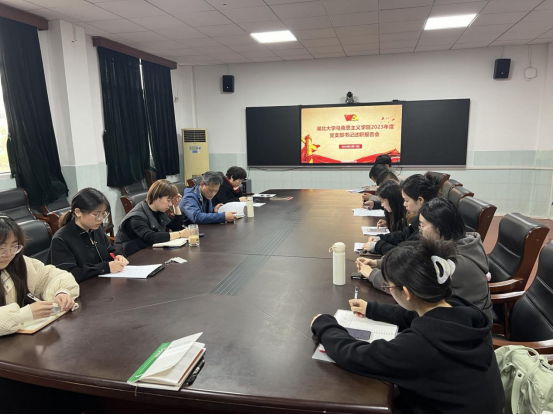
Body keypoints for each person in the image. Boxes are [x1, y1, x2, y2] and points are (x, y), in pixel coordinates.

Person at [311, 239, 504, 414]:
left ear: (406, 292)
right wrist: (371, 309)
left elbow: (357, 356)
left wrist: (325, 325)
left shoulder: (420, 346)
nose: (389, 289)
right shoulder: (462, 310)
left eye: (389, 286)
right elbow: (412, 314)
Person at [359, 198, 493, 320]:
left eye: (422, 226)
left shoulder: (451, 263)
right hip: (455, 313)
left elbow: (408, 289)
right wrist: (378, 263)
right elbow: (414, 257)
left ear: (439, 229)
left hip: (467, 324)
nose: (420, 231)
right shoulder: (462, 242)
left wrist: (371, 274)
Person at [0, 214, 79, 337]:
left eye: (14, 246)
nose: (9, 254)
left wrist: (61, 292)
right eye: (2, 248)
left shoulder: (19, 262)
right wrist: (23, 315)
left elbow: (52, 275)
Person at [49, 188, 129, 283]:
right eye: (96, 214)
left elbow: (110, 251)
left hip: (100, 283)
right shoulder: (61, 239)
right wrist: (105, 267)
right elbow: (69, 274)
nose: (101, 219)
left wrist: (118, 256)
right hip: (79, 288)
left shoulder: (96, 229)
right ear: (78, 212)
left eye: (103, 213)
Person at [363, 172, 439, 255]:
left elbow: (408, 255)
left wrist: (379, 246)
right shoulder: (420, 217)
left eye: (406, 200)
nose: (404, 204)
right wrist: (379, 238)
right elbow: (404, 235)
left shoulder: (428, 226)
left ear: (420, 200)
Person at [115, 180, 188, 257]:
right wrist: (180, 234)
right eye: (168, 200)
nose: (170, 204)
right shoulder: (136, 217)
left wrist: (176, 206)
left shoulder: (159, 211)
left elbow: (177, 227)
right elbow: (151, 237)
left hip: (150, 252)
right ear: (157, 197)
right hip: (131, 257)